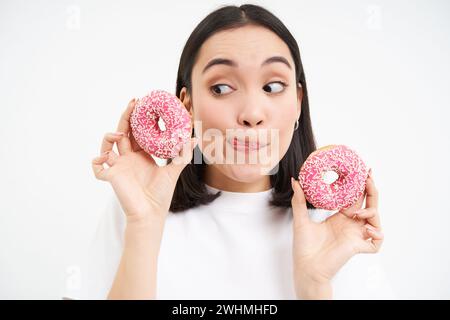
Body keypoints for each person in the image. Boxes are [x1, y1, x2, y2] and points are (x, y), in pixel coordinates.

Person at [65, 4, 395, 300]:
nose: (252, 112)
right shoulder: (138, 207)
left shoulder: (334, 230)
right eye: (221, 88)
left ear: (297, 101)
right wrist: (144, 225)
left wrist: (314, 286)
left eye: (272, 86)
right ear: (187, 103)